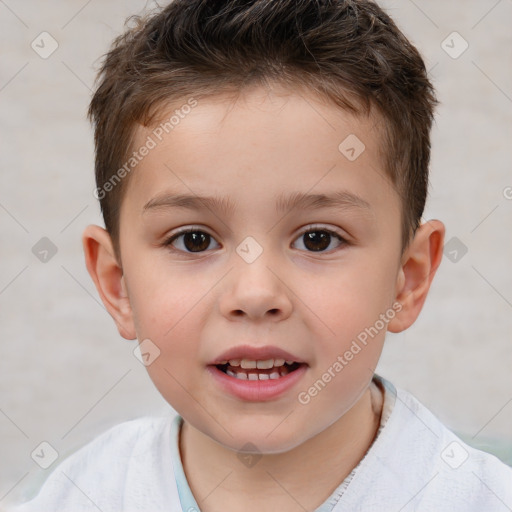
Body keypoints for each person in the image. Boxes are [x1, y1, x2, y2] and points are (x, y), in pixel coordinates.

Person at [10, 0, 512, 511]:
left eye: (318, 239)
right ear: (118, 284)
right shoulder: (75, 498)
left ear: (408, 279)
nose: (255, 294)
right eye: (194, 240)